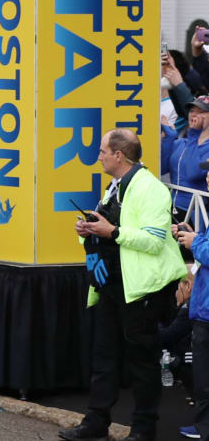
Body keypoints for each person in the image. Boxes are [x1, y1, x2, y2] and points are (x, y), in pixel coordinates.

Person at [59, 129, 187, 441]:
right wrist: (89, 228)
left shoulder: (151, 189)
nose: (98, 155)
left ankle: (144, 430)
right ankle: (95, 423)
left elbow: (155, 241)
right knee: (103, 357)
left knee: (142, 362)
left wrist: (111, 232)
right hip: (113, 285)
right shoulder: (114, 186)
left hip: (141, 289)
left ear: (119, 155)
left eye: (103, 151)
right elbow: (112, 227)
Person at [175, 218, 209, 441]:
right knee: (203, 379)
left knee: (204, 378)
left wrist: (195, 242)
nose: (207, 180)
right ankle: (203, 426)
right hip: (203, 311)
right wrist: (191, 234)